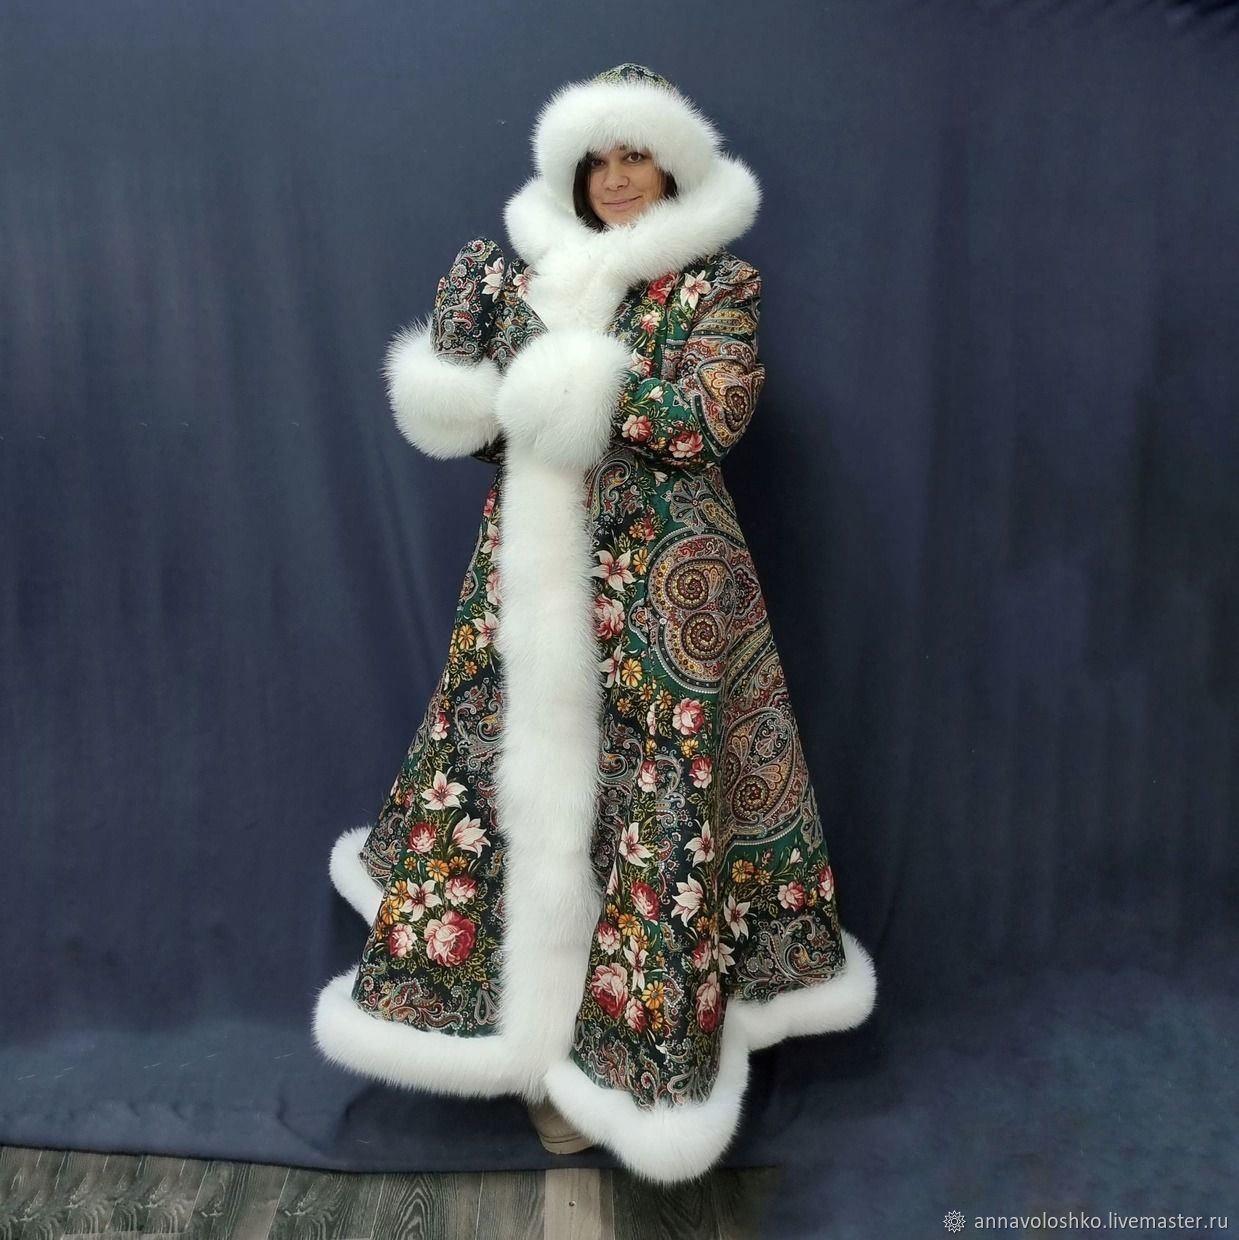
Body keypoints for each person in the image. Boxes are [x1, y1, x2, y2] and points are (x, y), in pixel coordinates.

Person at [313, 62, 878, 1185]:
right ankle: (532, 1051)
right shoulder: (524, 275)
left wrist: (568, 374)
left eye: (636, 156)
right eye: (597, 161)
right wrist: (468, 356)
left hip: (670, 594)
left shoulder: (717, 283)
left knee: (655, 818)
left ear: (671, 168)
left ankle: (638, 1065)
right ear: (574, 176)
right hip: (531, 582)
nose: (617, 178)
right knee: (517, 802)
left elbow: (705, 418)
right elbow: (485, 431)